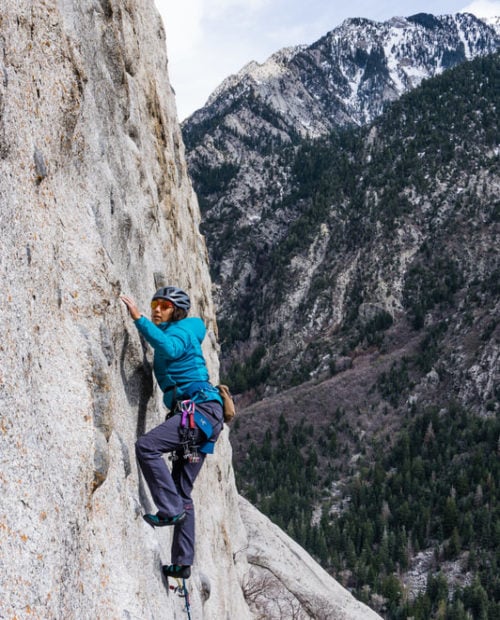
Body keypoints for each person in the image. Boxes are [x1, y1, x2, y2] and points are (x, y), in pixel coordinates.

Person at [120, 286, 224, 580]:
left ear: (176, 310)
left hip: (198, 412)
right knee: (183, 492)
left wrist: (139, 319)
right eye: (154, 304)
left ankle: (167, 509)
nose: (157, 309)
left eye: (164, 306)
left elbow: (171, 348)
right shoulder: (177, 330)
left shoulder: (182, 332)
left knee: (147, 446)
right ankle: (182, 562)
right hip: (203, 419)